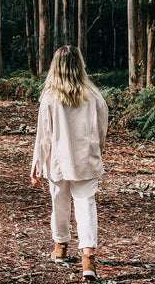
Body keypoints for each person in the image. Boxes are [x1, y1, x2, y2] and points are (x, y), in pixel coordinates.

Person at [30, 45, 108, 281]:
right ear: (80, 65)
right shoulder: (94, 95)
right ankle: (88, 259)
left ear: (56, 67)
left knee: (59, 205)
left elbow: (43, 135)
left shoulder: (50, 97)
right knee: (86, 206)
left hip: (58, 161)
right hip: (85, 160)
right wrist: (97, 150)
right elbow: (102, 128)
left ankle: (60, 247)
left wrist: (36, 165)